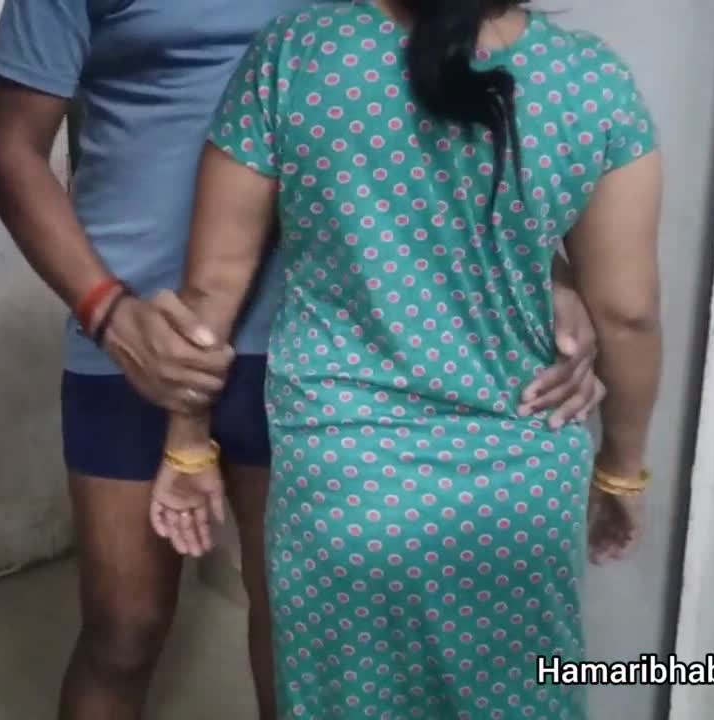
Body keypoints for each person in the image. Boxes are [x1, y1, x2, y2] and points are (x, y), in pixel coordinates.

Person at [0, 1, 608, 717]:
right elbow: (12, 150)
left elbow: (453, 99)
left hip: (327, 350)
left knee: (303, 638)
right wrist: (107, 313)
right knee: (123, 630)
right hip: (136, 337)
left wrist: (548, 273)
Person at [146, 0, 664, 718]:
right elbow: (628, 314)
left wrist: (187, 443)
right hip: (520, 490)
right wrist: (621, 469)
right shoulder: (592, 82)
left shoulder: (298, 54)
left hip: (346, 483)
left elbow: (212, 289)